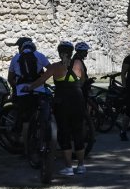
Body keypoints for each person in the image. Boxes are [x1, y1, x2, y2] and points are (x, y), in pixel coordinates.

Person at [23, 41, 88, 176]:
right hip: (77, 100)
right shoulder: (78, 64)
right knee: (77, 131)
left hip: (62, 102)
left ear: (59, 53)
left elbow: (41, 80)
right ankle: (81, 165)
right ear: (71, 53)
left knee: (64, 132)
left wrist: (29, 87)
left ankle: (69, 167)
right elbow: (82, 81)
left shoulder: (55, 67)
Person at [8, 37, 51, 139]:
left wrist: (17, 87)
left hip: (22, 93)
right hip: (38, 91)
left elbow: (10, 79)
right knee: (43, 110)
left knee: (25, 119)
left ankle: (25, 146)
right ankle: (45, 135)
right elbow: (51, 69)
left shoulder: (15, 58)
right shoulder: (40, 56)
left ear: (21, 48)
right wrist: (42, 80)